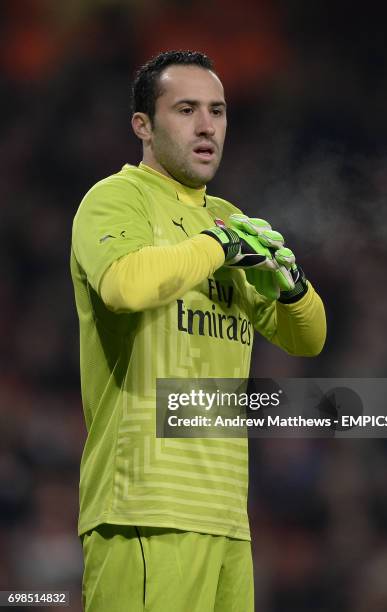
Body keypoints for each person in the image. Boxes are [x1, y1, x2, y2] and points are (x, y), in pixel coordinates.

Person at [70, 50, 326, 612]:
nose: (207, 125)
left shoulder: (232, 219)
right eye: (186, 109)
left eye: (218, 110)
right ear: (143, 125)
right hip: (145, 507)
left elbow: (308, 338)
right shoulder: (116, 199)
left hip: (227, 515)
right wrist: (216, 246)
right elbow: (124, 287)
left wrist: (291, 285)